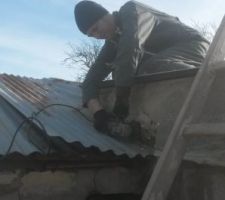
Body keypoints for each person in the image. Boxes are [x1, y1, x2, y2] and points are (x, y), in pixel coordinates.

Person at [74, 0, 209, 133]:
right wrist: (99, 114)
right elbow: (90, 80)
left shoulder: (132, 10)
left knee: (143, 68)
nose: (97, 36)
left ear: (104, 15)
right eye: (91, 35)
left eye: (96, 29)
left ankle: (209, 92)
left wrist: (121, 101)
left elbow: (131, 47)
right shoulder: (112, 42)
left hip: (194, 45)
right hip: (168, 57)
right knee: (125, 73)